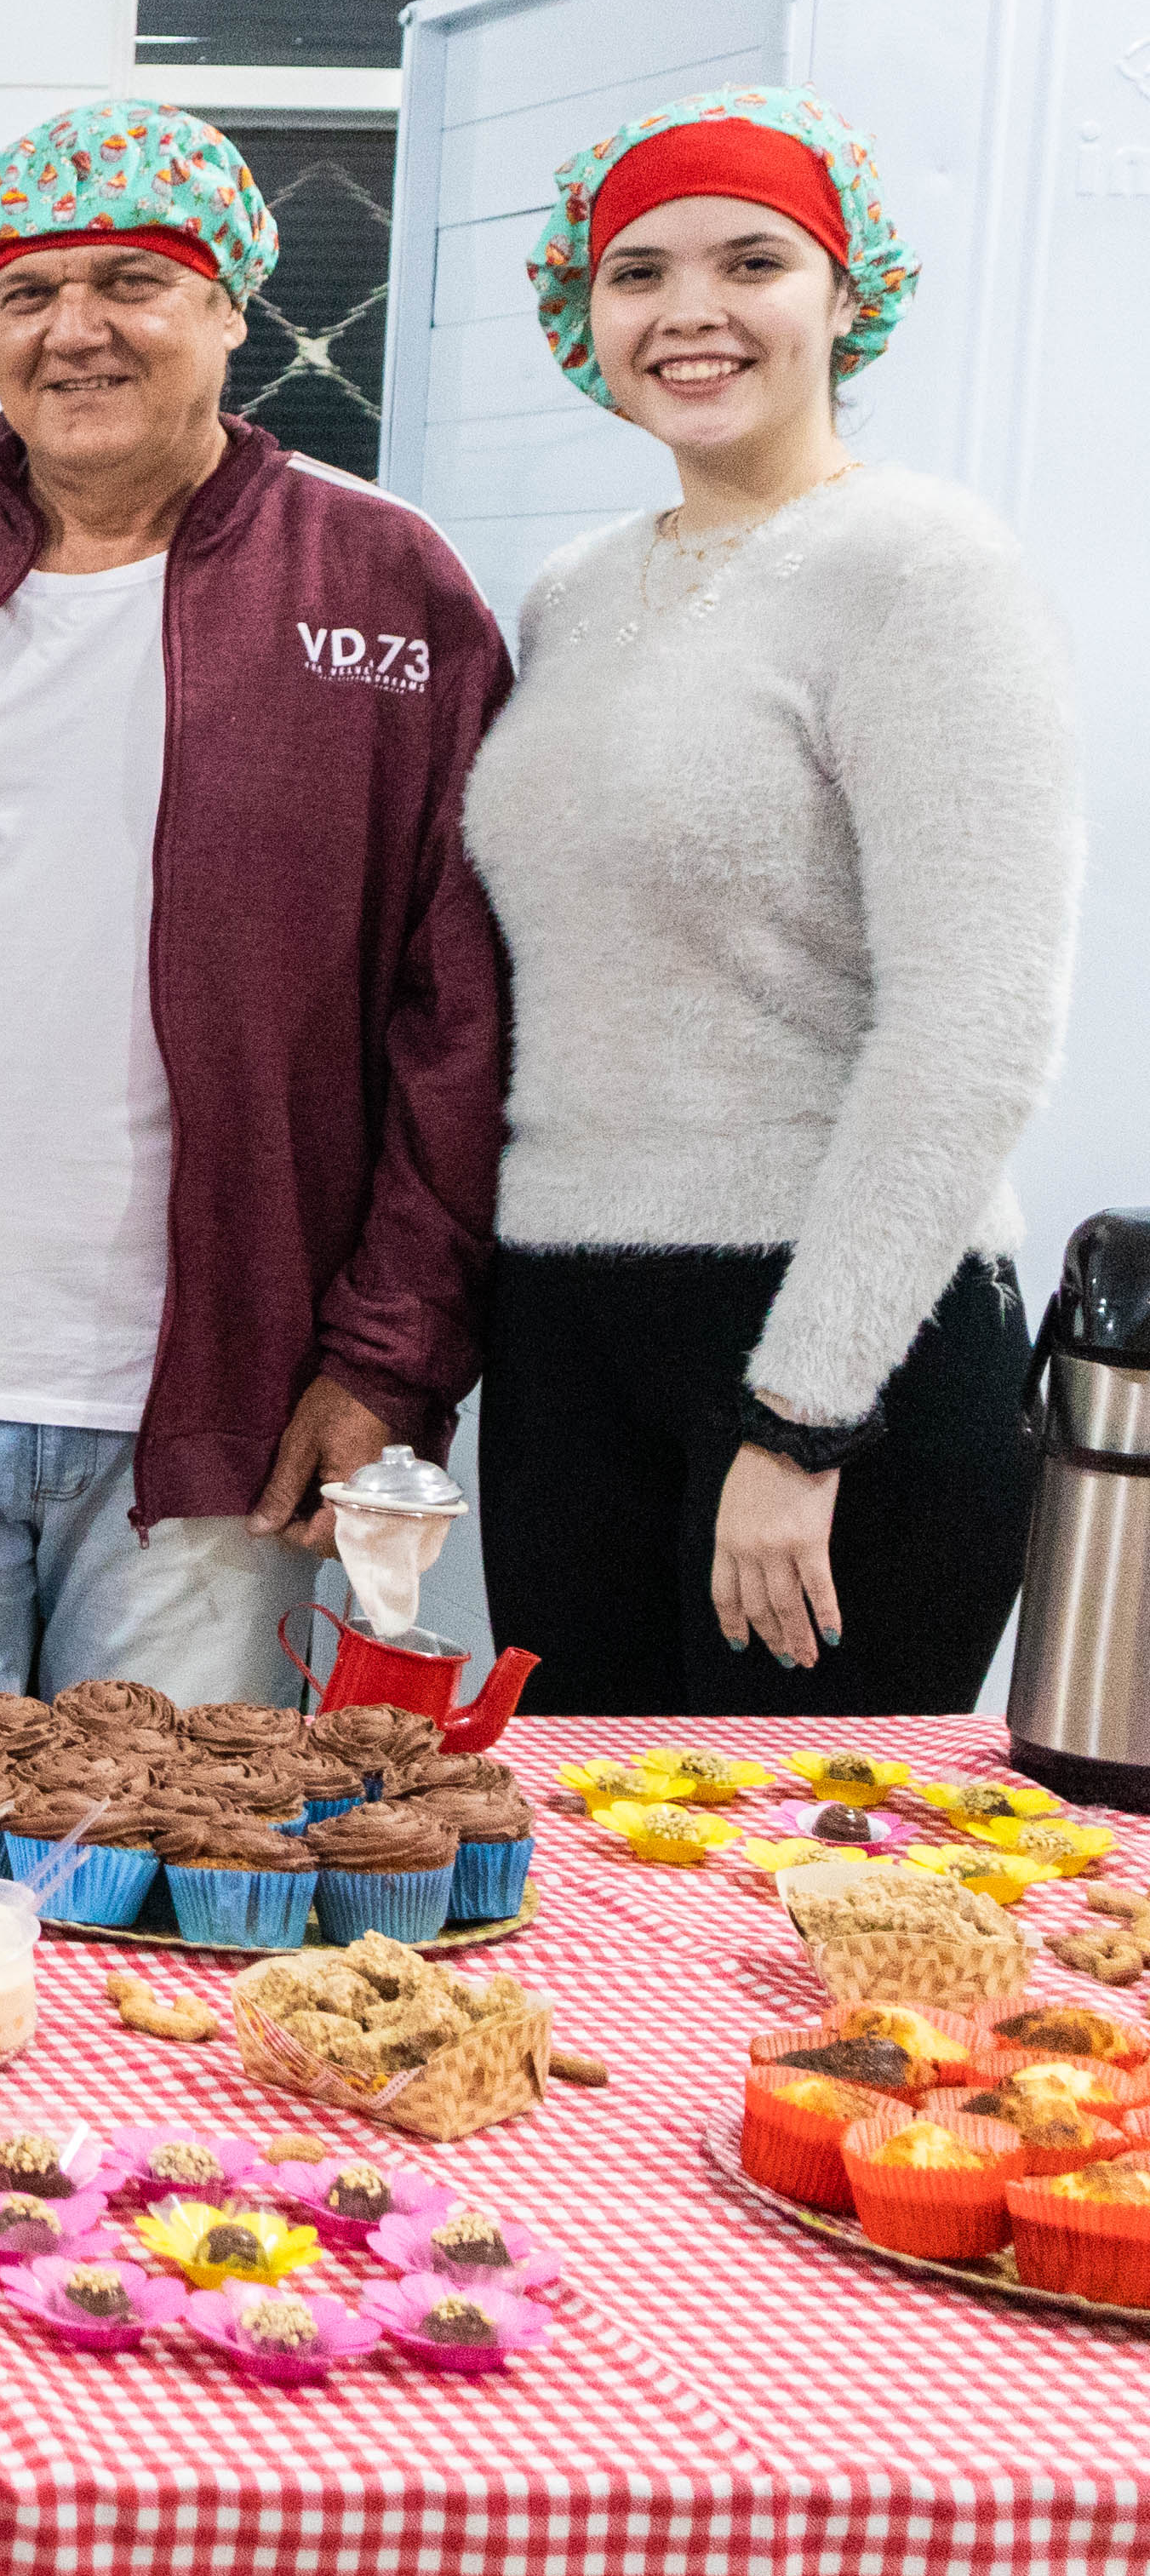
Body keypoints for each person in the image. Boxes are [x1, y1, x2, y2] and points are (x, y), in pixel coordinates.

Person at [0, 101, 508, 1711]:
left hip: (227, 1416)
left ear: (229, 305)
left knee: (170, 1892)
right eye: (28, 294)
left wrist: (389, 1360)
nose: (74, 329)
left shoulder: (385, 588)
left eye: (131, 281)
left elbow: (466, 1022)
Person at [466, 89, 1078, 1712]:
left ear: (844, 294)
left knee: (795, 1893)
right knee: (585, 1863)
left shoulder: (921, 565)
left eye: (751, 261)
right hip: (568, 1325)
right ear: (581, 312)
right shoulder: (578, 588)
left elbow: (980, 1018)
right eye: (638, 272)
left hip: (832, 1326)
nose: (690, 313)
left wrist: (809, 1414)